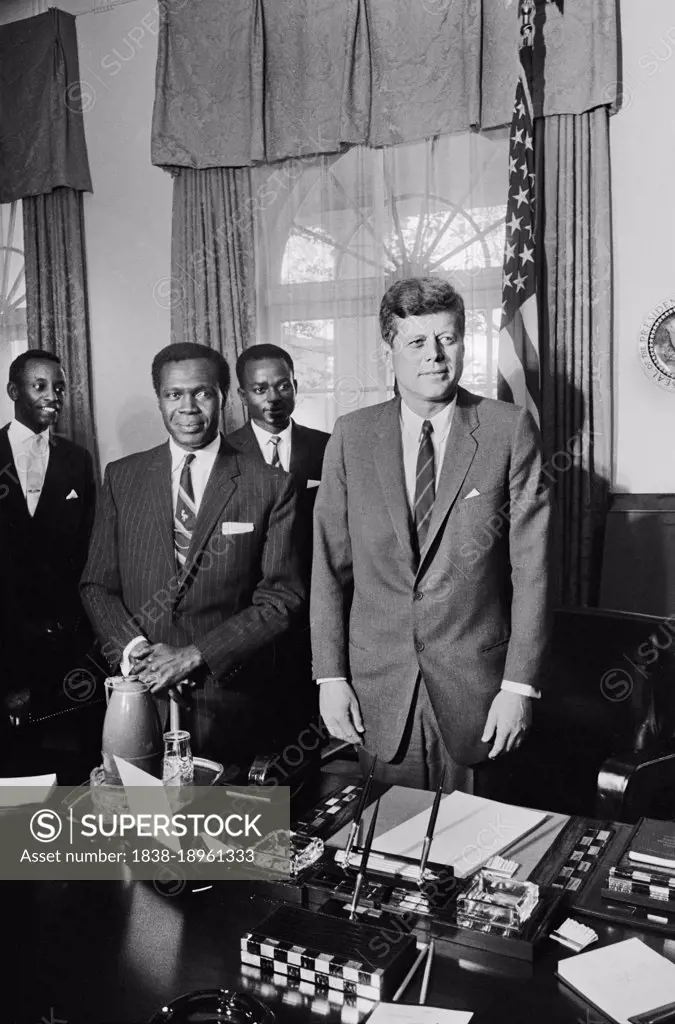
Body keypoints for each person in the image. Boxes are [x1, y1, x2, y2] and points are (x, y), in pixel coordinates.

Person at [311, 278, 551, 793]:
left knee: (479, 860)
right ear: (389, 350)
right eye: (417, 342)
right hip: (380, 696)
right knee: (390, 850)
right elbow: (329, 569)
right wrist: (330, 678)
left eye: (449, 338)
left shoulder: (508, 430)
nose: (435, 356)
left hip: (480, 695)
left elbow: (534, 572)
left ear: (464, 342)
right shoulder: (351, 436)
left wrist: (518, 686)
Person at [80, 343, 305, 765]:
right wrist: (136, 653)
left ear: (224, 396)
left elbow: (281, 599)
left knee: (227, 825)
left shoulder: (270, 484)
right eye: (173, 395)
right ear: (160, 399)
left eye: (201, 393)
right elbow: (97, 584)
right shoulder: (122, 477)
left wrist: (194, 656)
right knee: (143, 825)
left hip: (229, 702)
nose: (188, 407)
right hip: (139, 700)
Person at [227, 344, 330, 754]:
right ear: (241, 395)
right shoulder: (224, 454)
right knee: (250, 737)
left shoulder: (329, 447)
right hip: (245, 617)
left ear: (295, 386)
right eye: (260, 389)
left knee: (305, 737)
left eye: (282, 385)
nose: (273, 398)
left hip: (313, 614)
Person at [0, 350, 96, 767]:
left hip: (70, 639)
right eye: (40, 386)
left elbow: (89, 548)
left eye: (58, 386)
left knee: (81, 756)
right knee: (18, 765)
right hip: (8, 643)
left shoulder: (77, 459)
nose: (53, 395)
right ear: (12, 391)